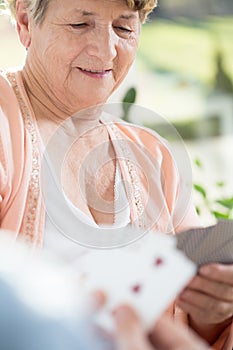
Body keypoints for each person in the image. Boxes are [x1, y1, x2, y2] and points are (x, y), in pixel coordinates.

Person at [0, 0, 232, 348]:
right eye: (80, 25)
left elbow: (186, 326)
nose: (106, 50)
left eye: (124, 28)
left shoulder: (154, 157)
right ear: (24, 22)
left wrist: (211, 313)